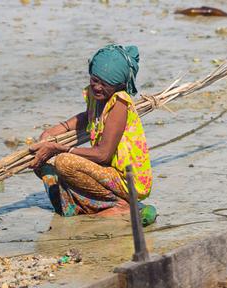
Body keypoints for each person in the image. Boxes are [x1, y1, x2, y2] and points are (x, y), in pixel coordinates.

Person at [28, 44, 152, 217]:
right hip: (105, 171)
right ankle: (80, 206)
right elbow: (88, 116)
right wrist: (53, 131)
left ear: (119, 85)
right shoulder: (96, 97)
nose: (97, 87)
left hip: (126, 179)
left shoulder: (120, 103)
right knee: (41, 165)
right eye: (94, 80)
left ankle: (120, 204)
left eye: (105, 84)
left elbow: (103, 154)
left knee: (64, 162)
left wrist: (59, 149)